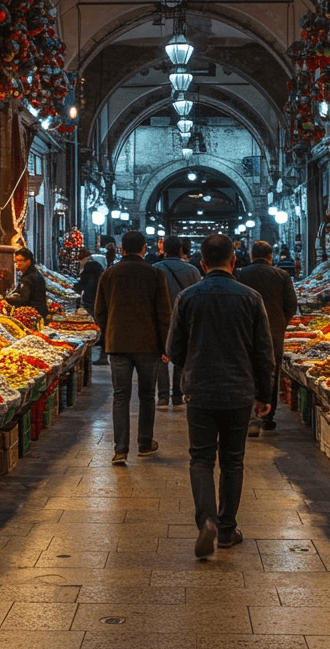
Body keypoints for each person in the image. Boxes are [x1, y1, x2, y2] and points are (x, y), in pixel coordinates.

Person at [166, 234, 274, 557]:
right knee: (232, 459)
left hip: (199, 391)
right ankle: (227, 530)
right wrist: (264, 393)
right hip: (240, 391)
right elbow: (264, 352)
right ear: (233, 261)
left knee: (200, 458)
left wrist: (192, 366)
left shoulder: (187, 297)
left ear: (201, 264)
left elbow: (173, 350)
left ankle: (206, 521)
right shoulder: (252, 298)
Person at [94, 231, 171, 464]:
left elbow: (99, 311)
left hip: (117, 344)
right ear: (144, 249)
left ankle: (120, 449)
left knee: (120, 396)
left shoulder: (109, 274)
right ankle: (145, 443)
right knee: (147, 395)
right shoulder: (155, 274)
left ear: (122, 249)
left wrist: (110, 332)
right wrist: (165, 345)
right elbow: (164, 314)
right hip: (148, 345)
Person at [237, 240, 298, 435]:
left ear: (252, 255)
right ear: (271, 257)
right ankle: (267, 417)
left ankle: (248, 416)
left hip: (244, 331)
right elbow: (291, 305)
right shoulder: (282, 275)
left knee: (246, 371)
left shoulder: (240, 274)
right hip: (273, 331)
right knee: (270, 371)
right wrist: (280, 322)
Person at [151, 236, 201, 407]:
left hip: (160, 319)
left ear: (164, 249)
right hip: (185, 319)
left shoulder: (154, 270)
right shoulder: (192, 271)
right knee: (182, 357)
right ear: (181, 250)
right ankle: (178, 396)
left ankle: (163, 396)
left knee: (160, 357)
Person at [5, 247, 48, 317]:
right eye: (16, 261)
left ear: (28, 261)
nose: (17, 264)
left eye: (20, 260)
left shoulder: (28, 278)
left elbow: (23, 299)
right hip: (39, 312)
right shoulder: (33, 274)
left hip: (34, 314)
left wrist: (6, 299)